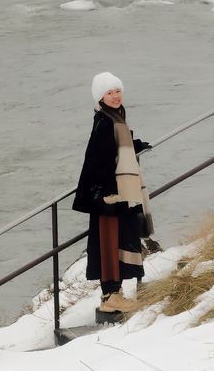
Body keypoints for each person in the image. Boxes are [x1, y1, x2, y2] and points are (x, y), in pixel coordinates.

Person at [73, 72, 154, 316]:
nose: (115, 96)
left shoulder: (114, 118)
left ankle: (115, 294)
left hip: (113, 194)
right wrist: (108, 193)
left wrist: (135, 146)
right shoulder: (105, 122)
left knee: (116, 241)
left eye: (117, 90)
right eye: (109, 92)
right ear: (100, 97)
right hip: (107, 196)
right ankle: (110, 298)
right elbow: (99, 159)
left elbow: (117, 148)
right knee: (108, 243)